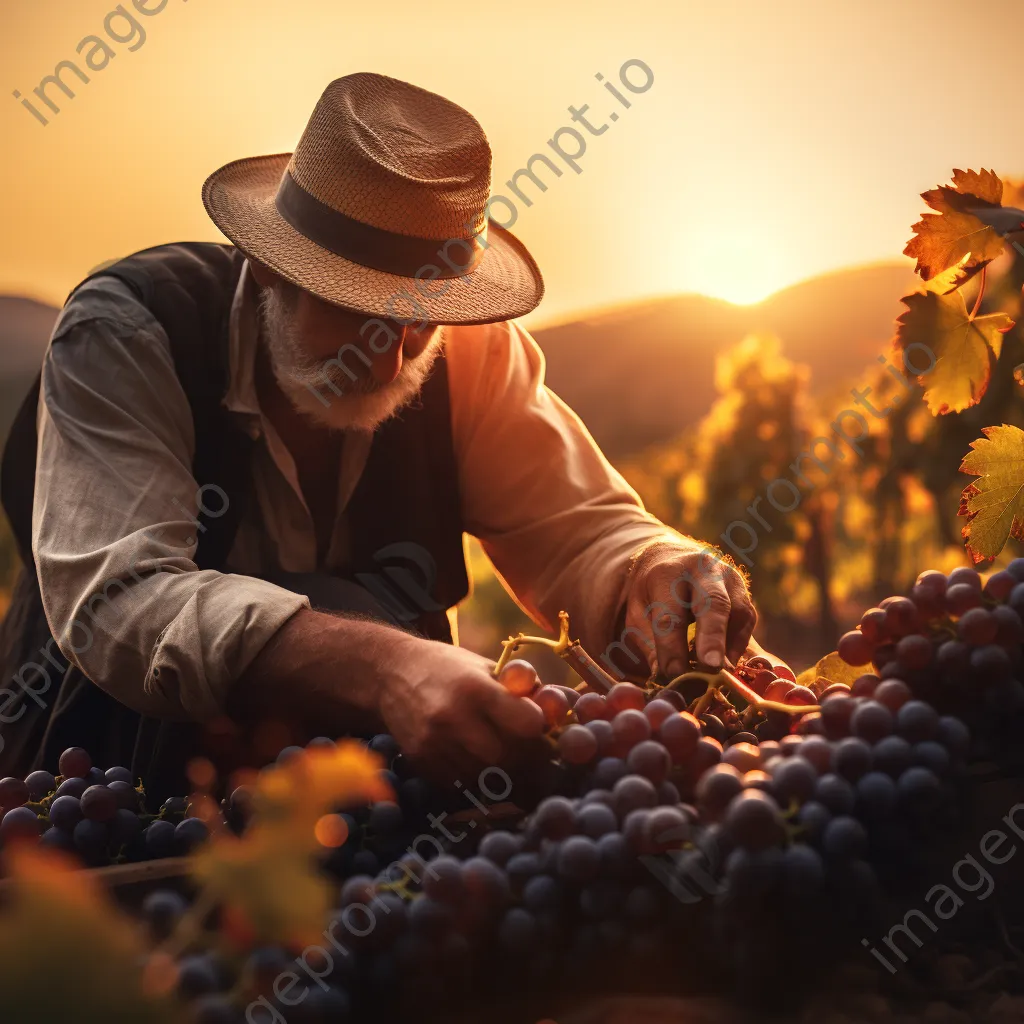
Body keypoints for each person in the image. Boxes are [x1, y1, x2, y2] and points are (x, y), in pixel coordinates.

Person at [0, 72, 784, 796]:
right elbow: (123, 603)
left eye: (418, 323)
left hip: (372, 799)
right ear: (270, 265)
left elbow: (575, 532)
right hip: (116, 781)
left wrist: (651, 564)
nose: (390, 360)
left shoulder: (468, 349)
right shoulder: (130, 334)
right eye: (355, 310)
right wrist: (387, 666)